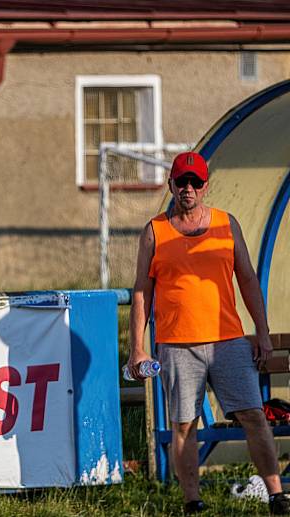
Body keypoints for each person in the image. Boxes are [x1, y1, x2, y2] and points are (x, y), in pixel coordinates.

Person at [127, 151, 290, 515]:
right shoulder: (155, 231)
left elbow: (247, 279)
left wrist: (261, 333)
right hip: (176, 344)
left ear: (205, 186)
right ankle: (192, 501)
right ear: (170, 185)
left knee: (253, 415)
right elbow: (142, 291)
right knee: (183, 424)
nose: (188, 189)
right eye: (181, 182)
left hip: (228, 340)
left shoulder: (226, 223)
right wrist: (137, 348)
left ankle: (277, 495)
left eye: (195, 182)